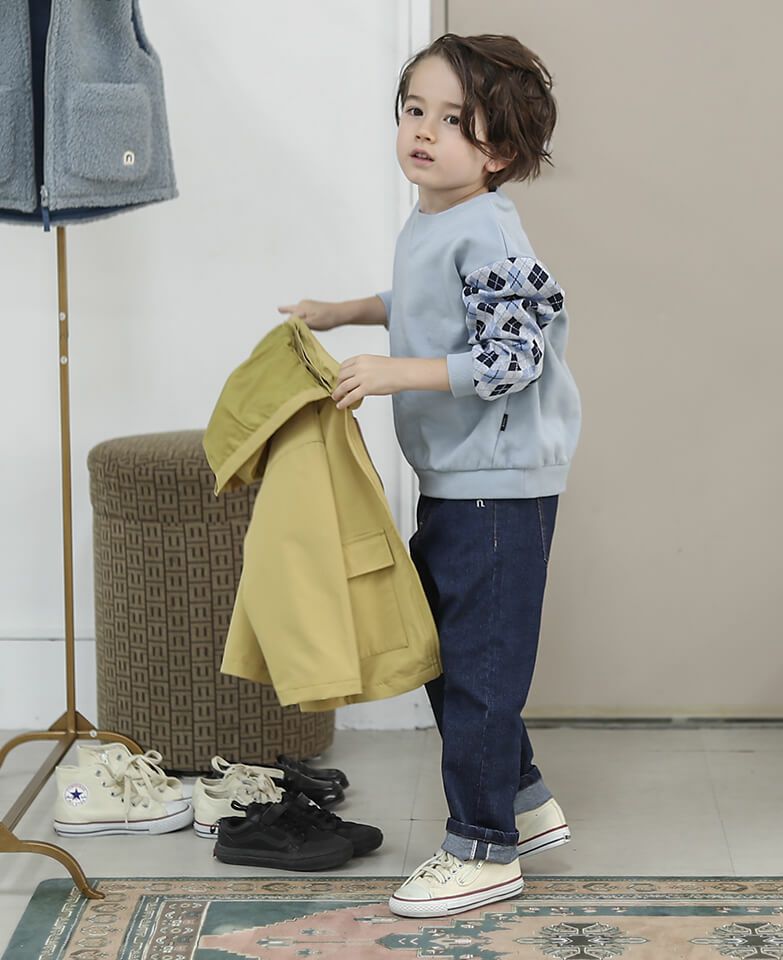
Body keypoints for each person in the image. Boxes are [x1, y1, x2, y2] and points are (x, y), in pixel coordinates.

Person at [278, 32, 582, 918]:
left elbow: (512, 354)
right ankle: (522, 800)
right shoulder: (434, 221)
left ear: (499, 152)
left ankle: (483, 846)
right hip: (459, 478)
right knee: (447, 652)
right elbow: (420, 302)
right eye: (416, 110)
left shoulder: (488, 229)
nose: (423, 132)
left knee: (480, 668)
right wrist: (343, 311)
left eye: (454, 121)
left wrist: (393, 373)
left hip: (498, 482)